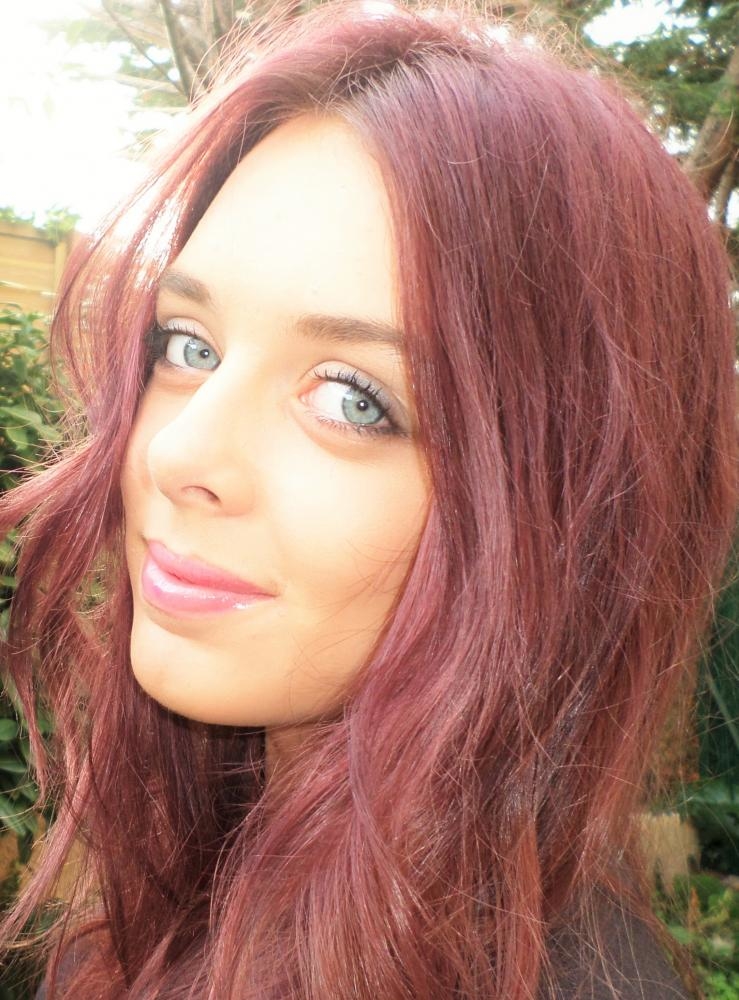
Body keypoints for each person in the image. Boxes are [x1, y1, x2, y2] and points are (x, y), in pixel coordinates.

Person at [1, 2, 736, 997]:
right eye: (189, 346)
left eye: (353, 398)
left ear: (569, 517)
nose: (176, 451)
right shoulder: (189, 899)